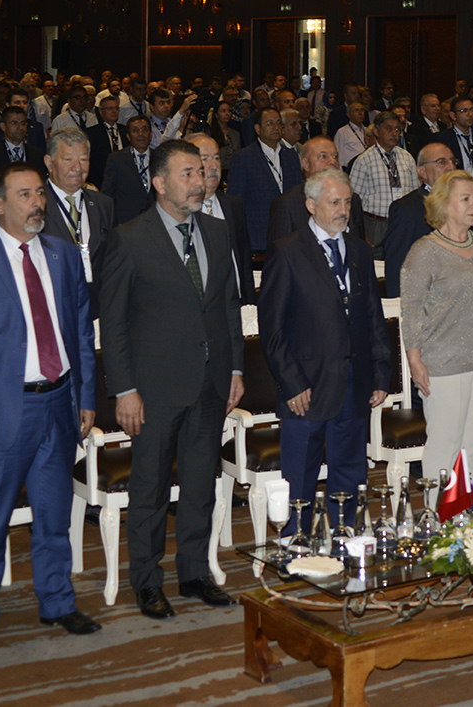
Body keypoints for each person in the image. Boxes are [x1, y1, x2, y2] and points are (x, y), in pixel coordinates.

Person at [0, 163, 101, 654]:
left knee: (54, 514)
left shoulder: (62, 253)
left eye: (39, 194)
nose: (37, 203)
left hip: (58, 403)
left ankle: (57, 601)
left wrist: (86, 397)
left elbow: (80, 331)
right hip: (0, 412)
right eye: (25, 194)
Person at [95, 139, 243, 619]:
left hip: (210, 382)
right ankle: (147, 581)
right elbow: (114, 324)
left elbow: (228, 307)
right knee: (151, 489)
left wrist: (235, 369)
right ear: (159, 183)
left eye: (202, 171)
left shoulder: (217, 231)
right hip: (153, 388)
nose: (201, 181)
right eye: (188, 174)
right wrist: (124, 389)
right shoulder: (128, 238)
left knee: (201, 484)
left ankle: (195, 573)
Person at [259, 169, 391, 536]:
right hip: (306, 387)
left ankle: (347, 539)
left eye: (347, 202)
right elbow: (272, 329)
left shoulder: (360, 249)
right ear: (311, 205)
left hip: (354, 382)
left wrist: (381, 374)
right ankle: (297, 546)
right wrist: (291, 384)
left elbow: (372, 316)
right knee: (300, 477)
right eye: (335, 202)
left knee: (349, 472)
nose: (343, 210)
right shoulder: (287, 251)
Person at [400, 170, 473, 487]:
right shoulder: (424, 250)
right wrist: (415, 361)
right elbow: (411, 310)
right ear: (444, 204)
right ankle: (437, 512)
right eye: (465, 199)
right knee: (445, 445)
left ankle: (462, 513)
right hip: (443, 363)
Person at [40, 127, 116, 285]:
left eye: (83, 159)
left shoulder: (103, 204)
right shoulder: (35, 206)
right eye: (68, 159)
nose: (77, 168)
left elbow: (112, 260)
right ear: (49, 163)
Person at [383, 141, 456, 299]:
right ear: (422, 172)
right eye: (442, 162)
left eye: (452, 161)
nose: (451, 167)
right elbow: (397, 268)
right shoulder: (406, 209)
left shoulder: (465, 204)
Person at [189, 133, 254, 301]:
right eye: (204, 159)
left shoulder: (233, 205)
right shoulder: (181, 212)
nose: (213, 166)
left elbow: (244, 264)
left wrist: (249, 304)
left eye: (216, 158)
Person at [226, 107, 300, 256]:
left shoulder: (291, 156)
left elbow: (298, 194)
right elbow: (235, 202)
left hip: (289, 235)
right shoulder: (243, 158)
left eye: (278, 123)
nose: (276, 127)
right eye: (270, 123)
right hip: (258, 236)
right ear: (257, 129)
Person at [348, 111, 418, 247]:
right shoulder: (364, 160)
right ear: (376, 131)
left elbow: (415, 194)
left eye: (397, 129)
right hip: (376, 224)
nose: (394, 133)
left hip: (404, 223)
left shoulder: (407, 157)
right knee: (376, 259)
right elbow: (353, 200)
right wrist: (361, 232)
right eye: (389, 129)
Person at [100, 115, 155, 223]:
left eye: (144, 129)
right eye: (135, 130)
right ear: (128, 137)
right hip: (126, 223)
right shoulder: (116, 159)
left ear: (150, 135)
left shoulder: (160, 157)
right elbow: (107, 195)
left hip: (156, 221)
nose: (140, 133)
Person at [85, 94, 129, 186]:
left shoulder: (125, 130)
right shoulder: (92, 133)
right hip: (101, 179)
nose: (114, 111)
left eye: (116, 108)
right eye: (110, 108)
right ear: (101, 112)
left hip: (124, 178)